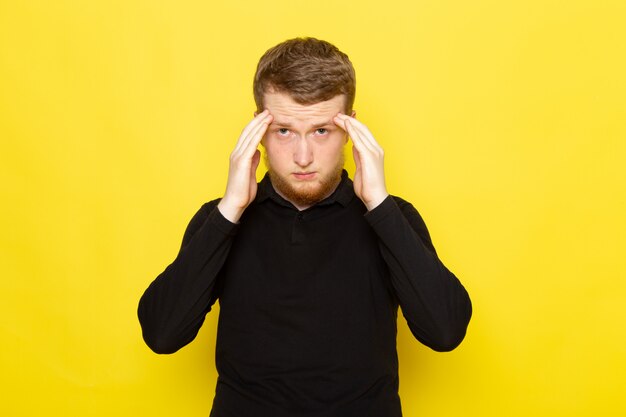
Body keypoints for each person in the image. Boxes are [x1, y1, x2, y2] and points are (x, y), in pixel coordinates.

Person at [138, 37, 472, 417]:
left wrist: (378, 204)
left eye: (320, 131)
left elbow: (445, 332)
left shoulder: (393, 218)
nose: (302, 157)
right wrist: (230, 209)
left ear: (350, 130)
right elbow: (162, 334)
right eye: (283, 131)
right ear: (257, 131)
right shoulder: (221, 220)